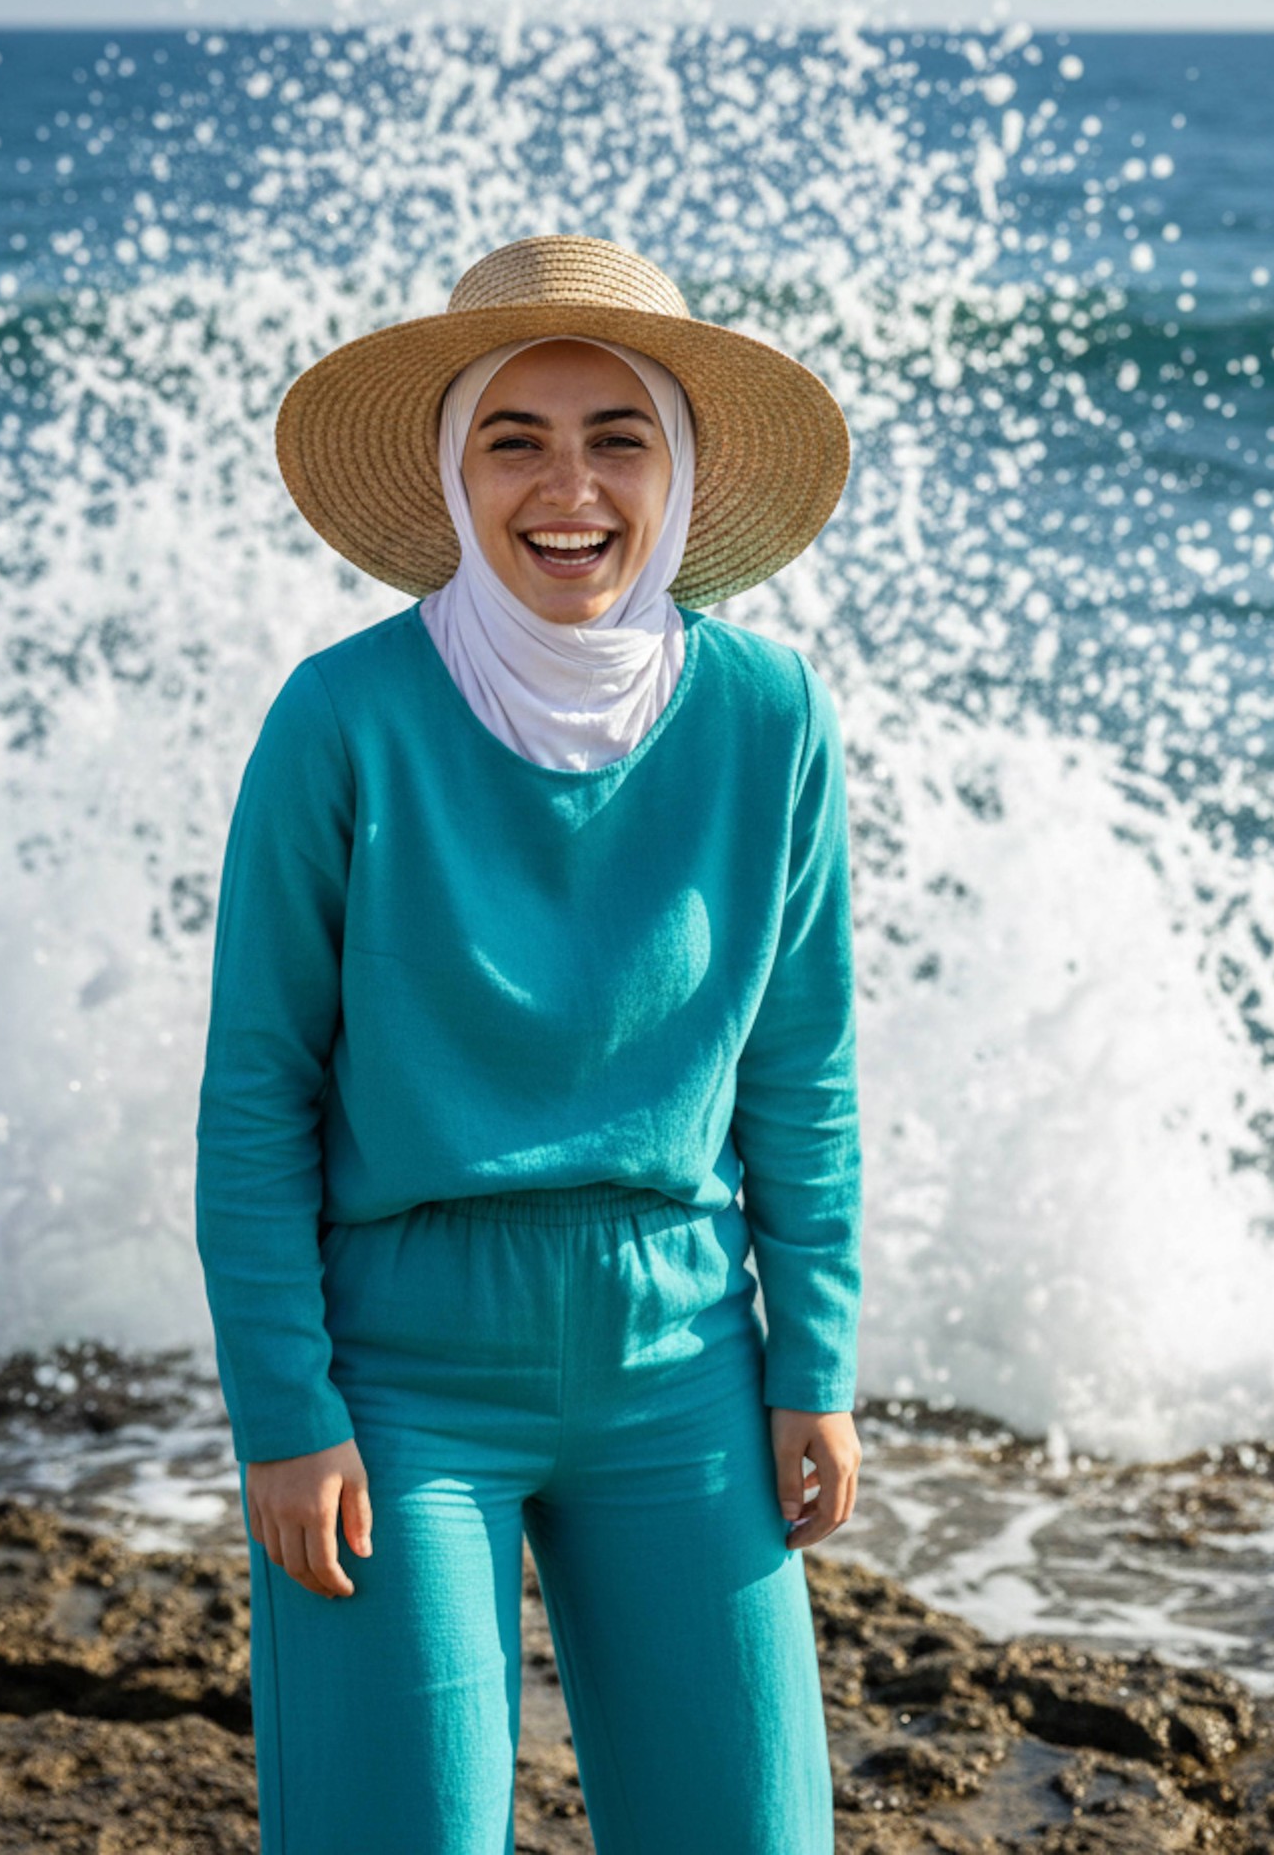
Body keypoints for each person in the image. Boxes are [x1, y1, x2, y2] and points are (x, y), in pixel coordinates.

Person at [194, 232, 862, 1853]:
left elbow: (802, 1068)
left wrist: (814, 1364)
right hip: (399, 1372)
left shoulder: (772, 713)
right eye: (518, 439)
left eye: (616, 436)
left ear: (679, 466)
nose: (570, 489)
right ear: (453, 468)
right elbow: (257, 1087)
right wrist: (285, 1410)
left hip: (685, 1357)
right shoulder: (340, 717)